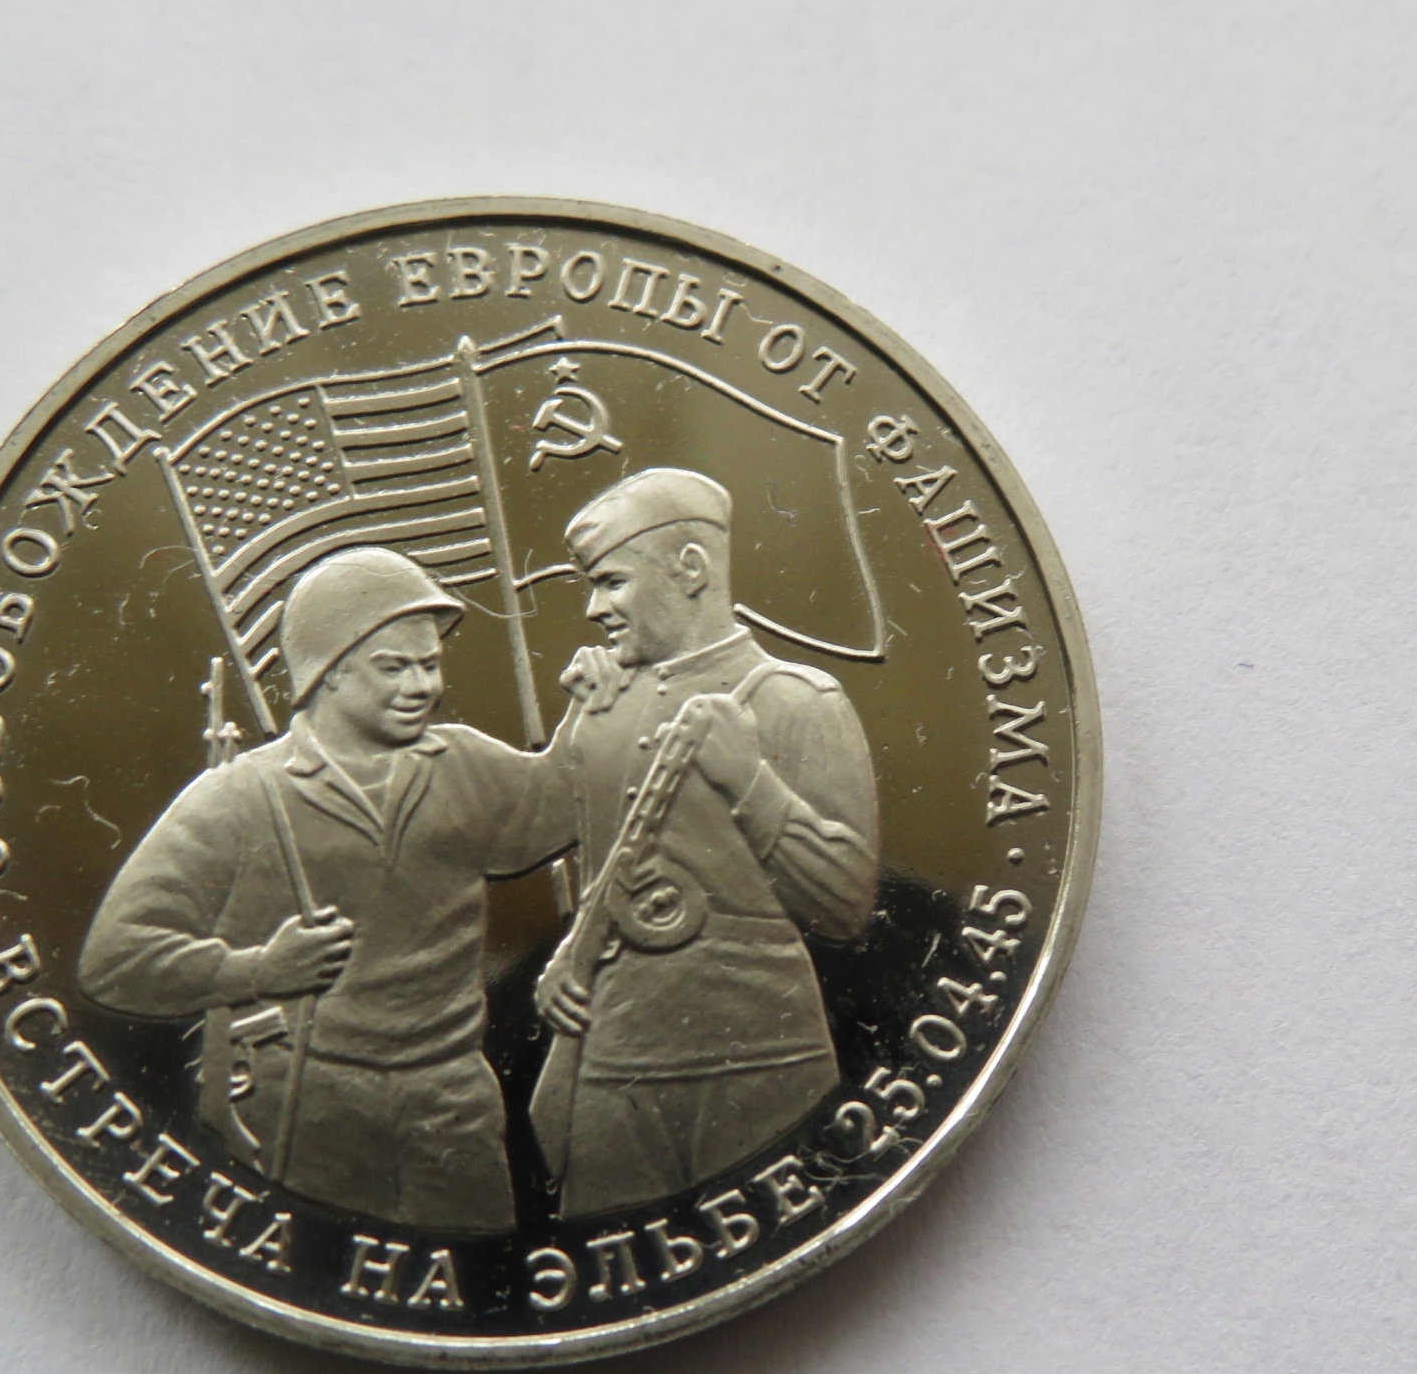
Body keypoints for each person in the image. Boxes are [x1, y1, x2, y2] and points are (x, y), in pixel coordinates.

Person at [80, 545, 570, 1229]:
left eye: (430, 664)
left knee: (483, 1275)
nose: (423, 686)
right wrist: (257, 970)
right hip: (304, 1107)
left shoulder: (465, 764)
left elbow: (573, 802)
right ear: (328, 671)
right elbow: (115, 960)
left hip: (451, 1108)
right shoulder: (237, 798)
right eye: (394, 667)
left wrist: (601, 705)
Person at [532, 468, 880, 1215]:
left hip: (761, 1063)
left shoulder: (798, 701)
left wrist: (749, 780)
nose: (594, 609)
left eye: (612, 583)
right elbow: (529, 836)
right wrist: (576, 729)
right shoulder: (605, 705)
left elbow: (847, 906)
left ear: (690, 569)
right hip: (613, 1064)